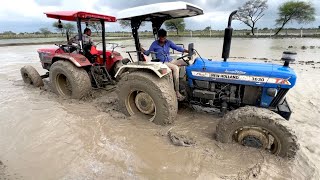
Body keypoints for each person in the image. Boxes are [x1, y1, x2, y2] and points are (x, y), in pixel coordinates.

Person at [141, 29, 188, 101]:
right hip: (162, 62)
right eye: (161, 37)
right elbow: (147, 53)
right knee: (175, 68)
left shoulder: (168, 42)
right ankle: (177, 92)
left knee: (187, 63)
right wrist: (142, 49)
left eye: (164, 37)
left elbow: (177, 48)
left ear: (166, 36)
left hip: (170, 60)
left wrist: (187, 51)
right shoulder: (154, 44)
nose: (163, 39)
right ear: (158, 37)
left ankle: (185, 83)